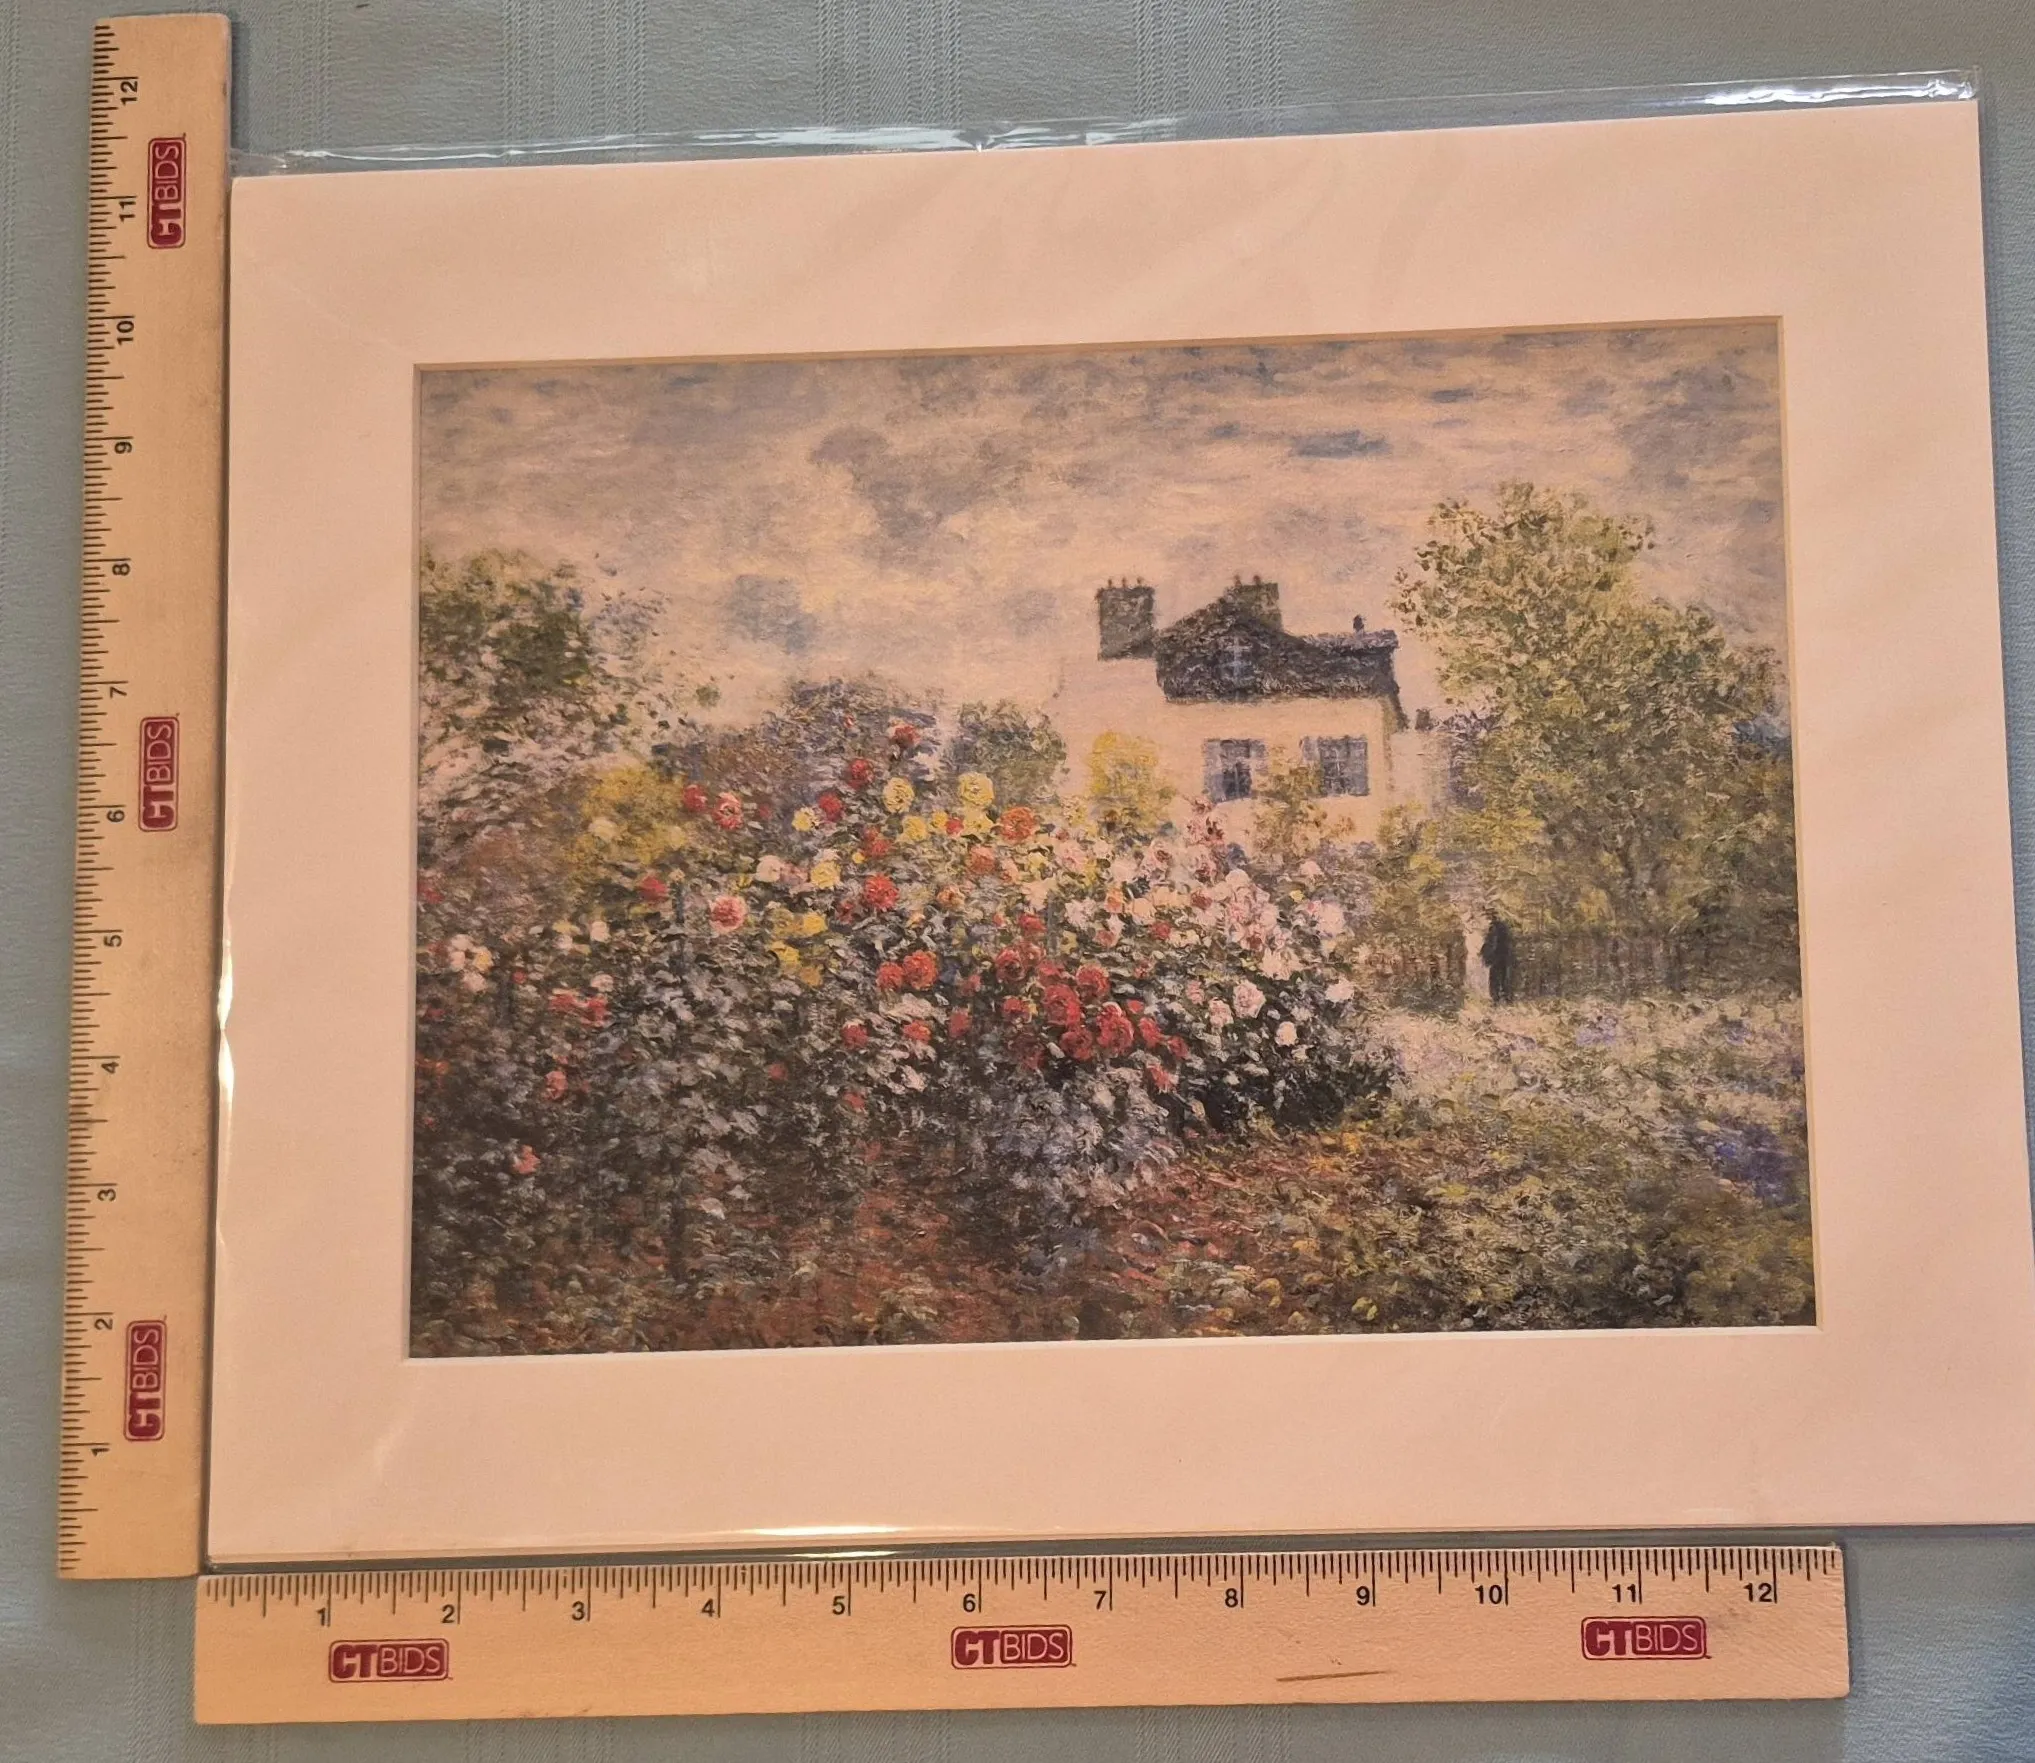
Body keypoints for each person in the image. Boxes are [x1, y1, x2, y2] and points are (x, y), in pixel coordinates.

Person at [1480, 914, 1516, 1005]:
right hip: (1505, 957)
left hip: (1497, 958)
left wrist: (1486, 955)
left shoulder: (1494, 929)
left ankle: (1497, 998)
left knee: (1496, 978)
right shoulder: (1506, 929)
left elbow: (1491, 943)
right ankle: (1506, 998)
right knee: (1505, 977)